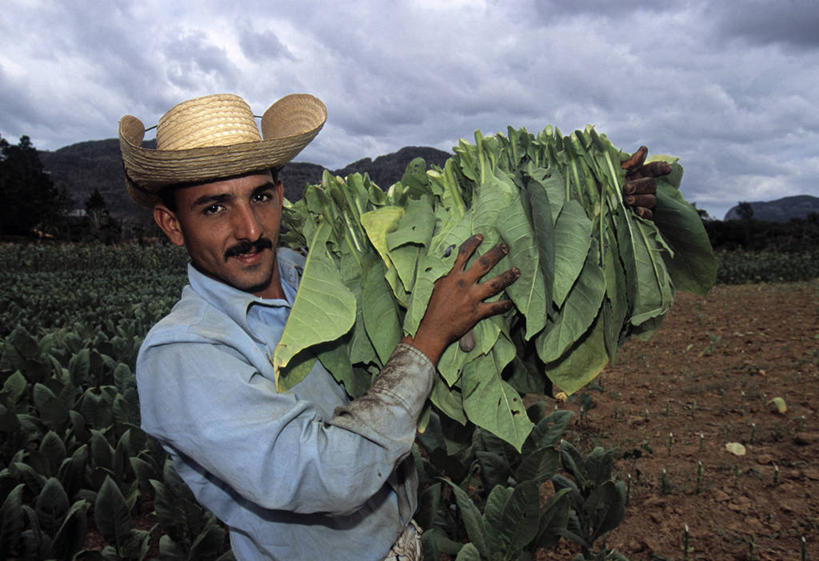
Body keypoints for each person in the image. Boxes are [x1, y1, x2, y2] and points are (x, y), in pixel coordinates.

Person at [119, 93, 666, 561]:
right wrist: (428, 338)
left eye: (260, 196)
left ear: (280, 192)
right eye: (214, 208)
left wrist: (591, 199)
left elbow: (478, 284)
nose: (249, 227)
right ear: (172, 224)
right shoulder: (184, 352)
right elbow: (329, 476)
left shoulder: (309, 268)